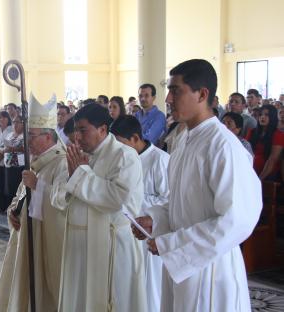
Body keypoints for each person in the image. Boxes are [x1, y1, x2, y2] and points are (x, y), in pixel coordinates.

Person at [133, 59, 262, 312]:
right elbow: (182, 201)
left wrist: (173, 245)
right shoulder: (183, 141)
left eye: (176, 90)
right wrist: (155, 220)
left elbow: (237, 219)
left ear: (202, 94)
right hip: (182, 266)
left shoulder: (223, 145)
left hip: (211, 268)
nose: (168, 98)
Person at [59, 104, 146, 312]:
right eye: (76, 130)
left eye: (83, 130)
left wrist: (80, 175)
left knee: (113, 300)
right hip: (81, 246)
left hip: (112, 246)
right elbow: (60, 192)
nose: (77, 137)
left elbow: (118, 199)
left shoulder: (124, 156)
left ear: (103, 129)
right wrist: (74, 179)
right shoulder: (78, 153)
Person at [0, 93, 68, 312]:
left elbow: (64, 203)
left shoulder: (61, 165)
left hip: (46, 242)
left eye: (32, 135)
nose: (28, 141)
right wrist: (13, 211)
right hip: (27, 235)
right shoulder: (37, 163)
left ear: (48, 137)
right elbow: (20, 196)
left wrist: (38, 186)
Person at [110, 115, 169, 312]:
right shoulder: (120, 160)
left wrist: (135, 199)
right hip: (126, 231)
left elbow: (169, 200)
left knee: (150, 288)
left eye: (121, 143)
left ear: (135, 138)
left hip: (149, 233)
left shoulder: (160, 160)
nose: (116, 150)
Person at [247, 104, 283, 181]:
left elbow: (272, 160)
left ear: (273, 117)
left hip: (268, 173)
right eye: (260, 115)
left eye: (266, 115)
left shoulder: (278, 135)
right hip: (250, 169)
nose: (262, 117)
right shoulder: (252, 132)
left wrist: (259, 179)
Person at [3, 116, 25, 209]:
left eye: (17, 122)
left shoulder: (25, 135)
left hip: (20, 166)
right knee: (9, 188)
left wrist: (14, 149)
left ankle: (17, 208)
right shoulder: (10, 135)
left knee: (18, 188)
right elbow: (4, 147)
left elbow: (26, 149)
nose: (15, 124)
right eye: (14, 122)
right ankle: (10, 208)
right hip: (9, 164)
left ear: (22, 124)